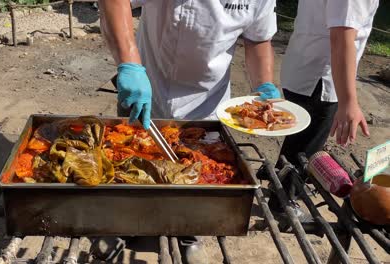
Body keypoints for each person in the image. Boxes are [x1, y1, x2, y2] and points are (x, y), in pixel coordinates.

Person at [96, 0, 280, 262]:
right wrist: (129, 63)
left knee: (197, 177)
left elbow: (258, 39)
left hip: (206, 103)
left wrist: (264, 85)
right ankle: (123, 224)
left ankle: (188, 233)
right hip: (148, 86)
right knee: (129, 164)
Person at [268, 0, 379, 216]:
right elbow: (341, 39)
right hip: (320, 77)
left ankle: (278, 183)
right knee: (305, 146)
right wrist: (348, 102)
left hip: (306, 66)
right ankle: (283, 202)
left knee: (298, 139)